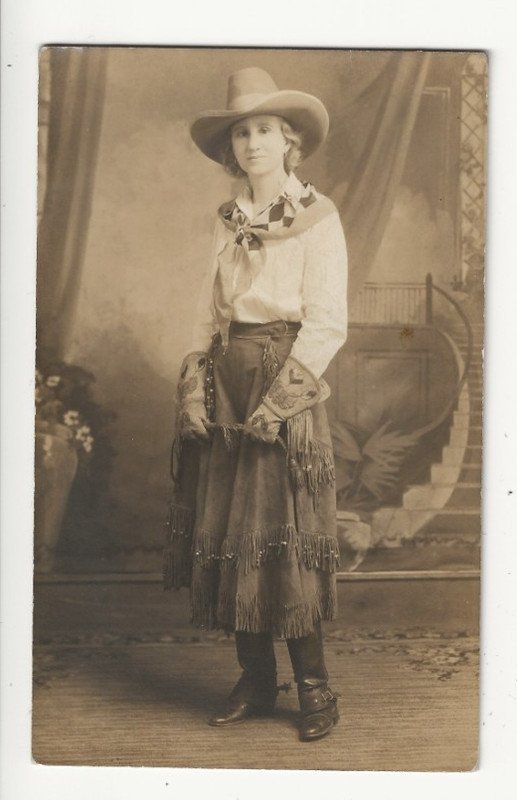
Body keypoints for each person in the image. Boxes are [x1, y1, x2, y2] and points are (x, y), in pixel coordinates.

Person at [164, 66, 348, 742]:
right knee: (233, 533)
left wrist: (278, 405)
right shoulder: (225, 220)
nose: (252, 143)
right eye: (241, 132)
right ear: (230, 148)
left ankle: (314, 688)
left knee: (283, 536)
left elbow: (328, 321)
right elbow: (205, 311)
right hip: (228, 376)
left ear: (290, 140)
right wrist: (194, 386)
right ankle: (254, 677)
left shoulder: (317, 219)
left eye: (265, 130)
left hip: (284, 378)